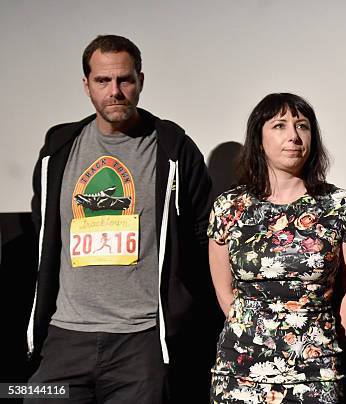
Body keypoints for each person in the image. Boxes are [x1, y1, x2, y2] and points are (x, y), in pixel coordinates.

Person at [27, 34, 212, 403]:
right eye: (103, 80)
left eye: (125, 80)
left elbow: (201, 232)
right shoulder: (58, 149)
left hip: (140, 341)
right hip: (66, 336)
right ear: (86, 85)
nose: (115, 91)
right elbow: (44, 227)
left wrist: (178, 309)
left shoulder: (173, 148)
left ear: (140, 81)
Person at [207, 93, 346, 403]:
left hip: (315, 366)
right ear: (259, 139)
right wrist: (255, 335)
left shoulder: (340, 206)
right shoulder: (229, 207)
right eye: (280, 126)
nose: (293, 136)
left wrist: (326, 345)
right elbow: (224, 291)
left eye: (302, 126)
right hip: (241, 366)